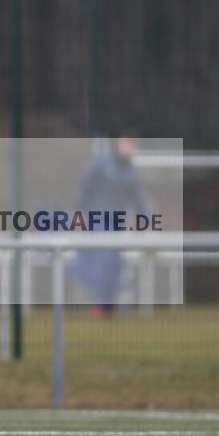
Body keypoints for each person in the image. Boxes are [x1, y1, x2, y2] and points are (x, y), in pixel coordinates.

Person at [69, 132, 148, 317]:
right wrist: (79, 215)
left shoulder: (131, 173)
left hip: (117, 225)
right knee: (102, 264)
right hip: (98, 223)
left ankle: (107, 306)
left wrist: (145, 221)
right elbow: (85, 188)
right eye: (126, 143)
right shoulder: (101, 164)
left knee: (114, 266)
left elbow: (139, 200)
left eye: (132, 145)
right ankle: (102, 306)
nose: (129, 148)